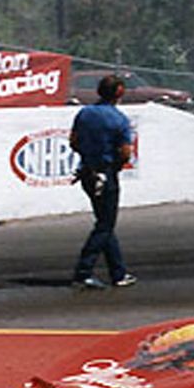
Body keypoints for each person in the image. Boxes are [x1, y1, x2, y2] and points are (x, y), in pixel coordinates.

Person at [70, 74, 137, 289]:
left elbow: (74, 142)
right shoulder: (119, 119)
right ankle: (84, 270)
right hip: (106, 173)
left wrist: (89, 157)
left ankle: (118, 272)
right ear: (119, 93)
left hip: (87, 172)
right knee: (105, 225)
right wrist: (113, 165)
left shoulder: (84, 113)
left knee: (104, 223)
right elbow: (126, 152)